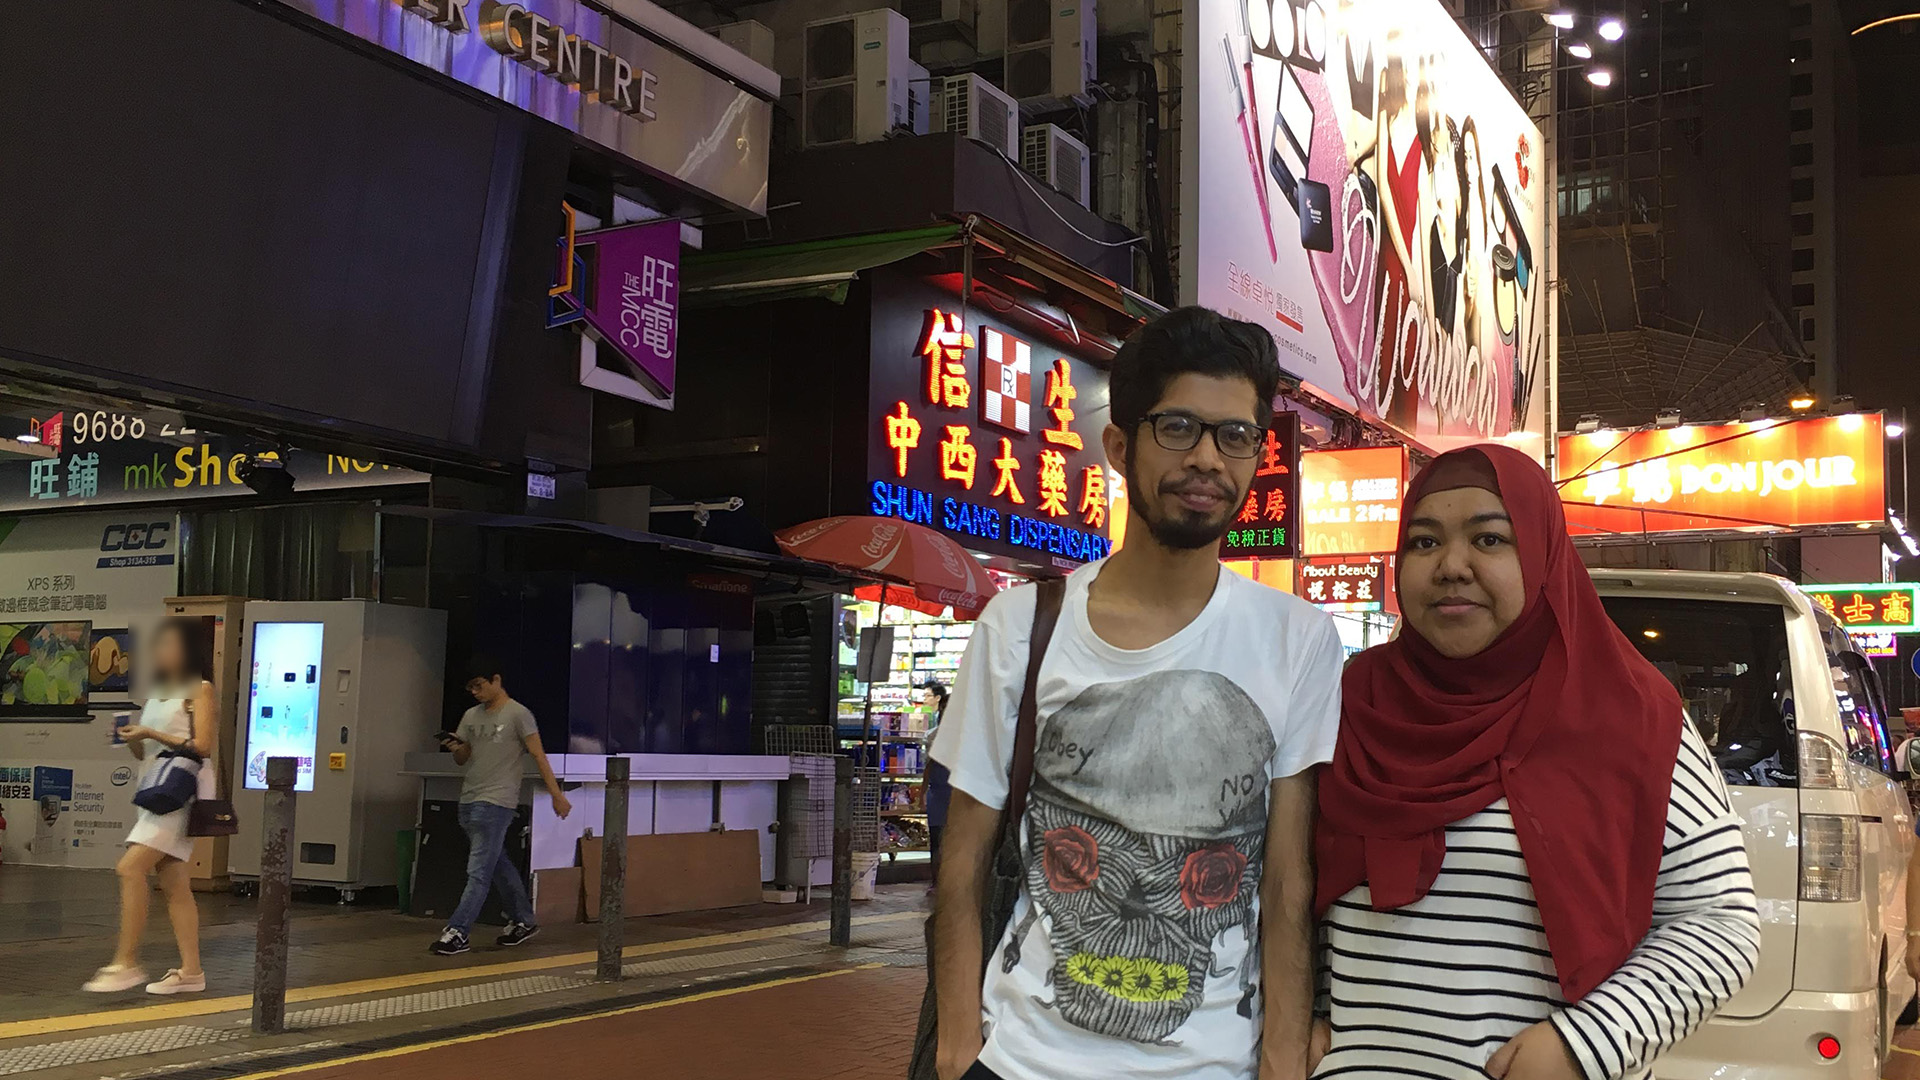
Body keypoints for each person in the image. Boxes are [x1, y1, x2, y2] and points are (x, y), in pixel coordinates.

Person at [929, 306, 1346, 1080]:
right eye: (1179, 427)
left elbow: (1287, 883)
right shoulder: (1019, 626)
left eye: (1236, 435)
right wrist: (959, 1048)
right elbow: (962, 861)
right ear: (1120, 446)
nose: (1209, 460)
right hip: (1022, 1063)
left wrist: (1283, 1061)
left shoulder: (1298, 641)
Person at [1313, 445, 1762, 1080]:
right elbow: (1293, 892)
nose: (1451, 566)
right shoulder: (1350, 703)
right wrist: (1301, 1017)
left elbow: (1720, 925)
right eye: (1422, 543)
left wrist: (1584, 1046)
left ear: (1544, 554)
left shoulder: (1630, 716)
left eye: (1490, 539)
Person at [84, 617, 218, 995]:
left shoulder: (200, 688)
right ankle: (191, 972)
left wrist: (150, 731)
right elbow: (147, 749)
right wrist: (131, 738)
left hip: (179, 795)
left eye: (171, 644)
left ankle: (126, 962)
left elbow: (203, 745)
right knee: (175, 883)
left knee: (130, 868)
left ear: (189, 649)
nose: (163, 651)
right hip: (155, 791)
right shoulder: (160, 690)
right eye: (161, 645)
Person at [430, 655, 573, 957]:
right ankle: (523, 919)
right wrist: (456, 747)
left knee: (479, 869)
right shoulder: (470, 716)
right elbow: (463, 758)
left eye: (479, 686)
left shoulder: (518, 714)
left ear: (496, 680)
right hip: (469, 799)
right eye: (471, 688)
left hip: (497, 802)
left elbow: (539, 755)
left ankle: (458, 930)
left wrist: (556, 795)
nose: (475, 692)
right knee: (496, 864)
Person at [921, 682, 953, 885]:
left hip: (954, 793)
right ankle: (937, 880)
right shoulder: (933, 736)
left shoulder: (966, 737)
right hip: (940, 794)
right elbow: (929, 768)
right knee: (937, 838)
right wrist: (923, 793)